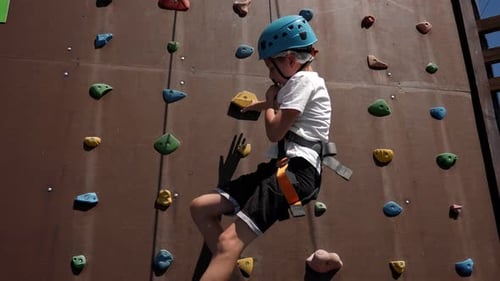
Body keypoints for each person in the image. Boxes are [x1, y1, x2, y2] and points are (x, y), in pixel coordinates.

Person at [190, 15, 342, 281]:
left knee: (229, 242)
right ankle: (226, 269)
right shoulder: (298, 84)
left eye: (270, 67)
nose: (270, 75)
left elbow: (275, 132)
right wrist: (260, 105)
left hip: (295, 174)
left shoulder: (303, 83)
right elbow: (284, 105)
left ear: (290, 61)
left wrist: (270, 103)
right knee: (201, 207)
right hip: (279, 171)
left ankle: (224, 260)